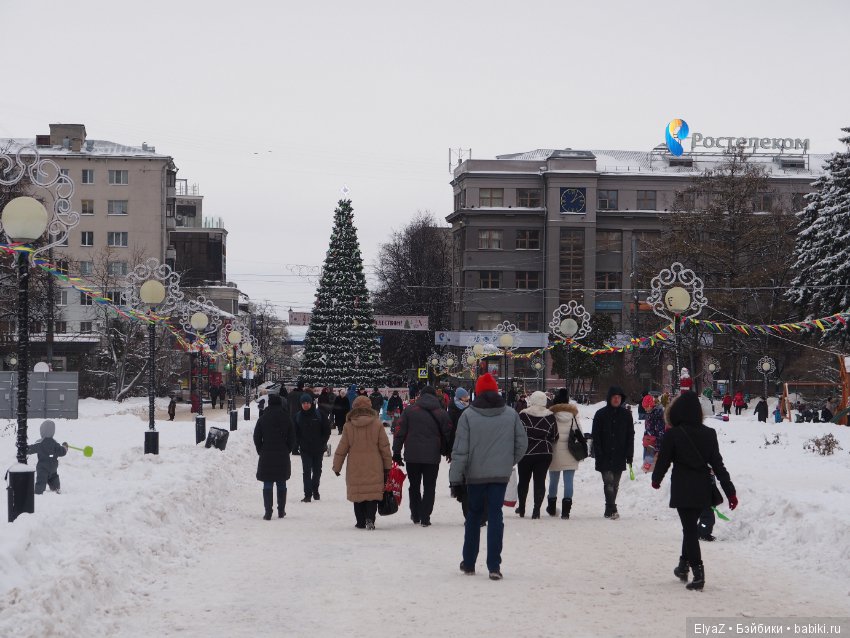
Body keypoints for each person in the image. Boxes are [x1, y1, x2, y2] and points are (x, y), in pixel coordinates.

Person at [651, 391, 738, 590]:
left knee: (689, 529)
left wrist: (656, 479)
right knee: (689, 528)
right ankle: (683, 566)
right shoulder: (709, 433)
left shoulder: (673, 434)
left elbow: (663, 460)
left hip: (683, 487)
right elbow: (718, 465)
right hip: (703, 488)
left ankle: (698, 574)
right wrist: (730, 492)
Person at [449, 373, 528, 580]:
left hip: (474, 476)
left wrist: (455, 479)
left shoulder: (468, 416)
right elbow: (522, 444)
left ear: (477, 392)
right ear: (496, 391)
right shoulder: (511, 414)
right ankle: (494, 566)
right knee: (495, 516)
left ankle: (469, 563)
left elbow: (460, 451)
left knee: (474, 516)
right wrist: (507, 462)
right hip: (499, 476)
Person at [392, 386, 452, 527]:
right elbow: (449, 434)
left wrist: (396, 452)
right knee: (430, 486)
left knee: (414, 486)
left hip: (412, 456)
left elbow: (399, 432)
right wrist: (449, 451)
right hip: (432, 456)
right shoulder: (441, 413)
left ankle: (416, 513)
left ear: (420, 395)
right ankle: (426, 516)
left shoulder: (409, 411)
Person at [332, 395, 393, 530]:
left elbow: (342, 447)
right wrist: (388, 465)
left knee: (358, 493)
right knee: (372, 493)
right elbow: (384, 447)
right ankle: (370, 518)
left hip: (355, 466)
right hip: (374, 465)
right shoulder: (377, 424)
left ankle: (360, 521)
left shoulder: (348, 425)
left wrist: (337, 466)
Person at [591, 386, 635, 520]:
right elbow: (596, 435)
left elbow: (630, 435)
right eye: (614, 397)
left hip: (619, 454)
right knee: (608, 482)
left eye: (619, 397)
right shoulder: (600, 414)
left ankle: (608, 508)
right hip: (604, 454)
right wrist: (598, 451)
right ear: (609, 398)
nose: (616, 399)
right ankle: (613, 508)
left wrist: (629, 454)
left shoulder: (626, 415)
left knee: (615, 484)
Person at [253, 393, 296, 520]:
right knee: (281, 482)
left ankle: (268, 512)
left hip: (266, 453)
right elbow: (292, 437)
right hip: (282, 453)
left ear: (269, 404)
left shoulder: (263, 418)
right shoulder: (286, 417)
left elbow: (256, 437)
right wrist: (287, 449)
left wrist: (261, 449)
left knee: (268, 482)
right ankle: (281, 510)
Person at [517, 391, 558, 519]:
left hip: (525, 452)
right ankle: (536, 510)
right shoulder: (550, 416)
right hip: (544, 453)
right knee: (539, 481)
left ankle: (522, 508)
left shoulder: (523, 415)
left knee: (523, 481)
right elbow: (555, 436)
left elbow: (517, 434)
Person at [547, 389, 584, 519]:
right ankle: (566, 512)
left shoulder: (551, 415)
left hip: (555, 452)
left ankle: (551, 508)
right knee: (568, 482)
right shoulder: (573, 416)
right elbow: (580, 433)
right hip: (571, 452)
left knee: (553, 481)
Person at [295, 393, 331, 502]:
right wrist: (298, 444)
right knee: (306, 471)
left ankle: (315, 489)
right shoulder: (298, 416)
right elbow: (295, 432)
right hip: (305, 449)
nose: (306, 405)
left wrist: (323, 442)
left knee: (317, 471)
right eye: (303, 403)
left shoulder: (320, 414)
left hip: (318, 448)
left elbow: (327, 430)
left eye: (307, 403)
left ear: (311, 403)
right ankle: (307, 494)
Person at [26, 420, 68, 494]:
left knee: (41, 480)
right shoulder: (56, 444)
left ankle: (39, 492)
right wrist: (65, 446)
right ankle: (56, 488)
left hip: (42, 468)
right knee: (54, 477)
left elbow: (30, 449)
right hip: (53, 468)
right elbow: (63, 452)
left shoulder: (39, 444)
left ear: (42, 431)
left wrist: (23, 448)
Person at [643, 396, 666, 472]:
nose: (645, 409)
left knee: (654, 465)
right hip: (649, 442)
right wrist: (645, 435)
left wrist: (657, 443)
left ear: (650, 405)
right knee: (647, 463)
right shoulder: (649, 413)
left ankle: (651, 472)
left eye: (646, 407)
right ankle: (647, 470)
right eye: (644, 407)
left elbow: (660, 430)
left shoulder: (657, 414)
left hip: (655, 443)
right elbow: (648, 427)